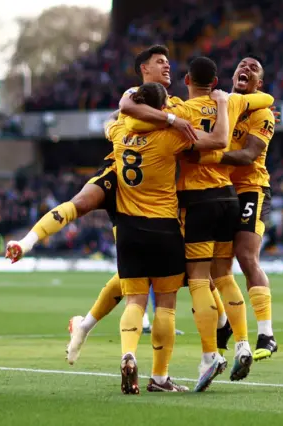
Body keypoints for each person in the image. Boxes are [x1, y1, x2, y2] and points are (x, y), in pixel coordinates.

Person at [4, 45, 193, 364]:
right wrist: (174, 119)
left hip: (135, 179)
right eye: (160, 62)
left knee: (126, 276)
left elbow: (117, 120)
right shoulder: (143, 97)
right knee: (84, 208)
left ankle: (85, 325)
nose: (167, 67)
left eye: (168, 63)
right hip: (131, 187)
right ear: (144, 69)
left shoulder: (139, 113)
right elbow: (127, 108)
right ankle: (28, 242)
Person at [124, 56, 274, 389]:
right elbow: (266, 99)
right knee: (224, 274)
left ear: (188, 78)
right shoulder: (230, 103)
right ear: (217, 81)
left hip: (196, 201)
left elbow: (134, 117)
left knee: (198, 280)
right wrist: (223, 100)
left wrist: (170, 118)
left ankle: (210, 354)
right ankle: (243, 343)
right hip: (228, 197)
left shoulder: (181, 110)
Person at [109, 82, 230, 394]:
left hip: (127, 228)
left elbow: (111, 120)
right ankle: (160, 378)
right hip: (164, 227)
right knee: (165, 306)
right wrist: (223, 105)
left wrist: (131, 107)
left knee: (135, 300)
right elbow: (218, 140)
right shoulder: (171, 136)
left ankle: (128, 354)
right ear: (162, 108)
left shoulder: (119, 132)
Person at [198, 56, 279, 361]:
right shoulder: (222, 105)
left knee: (246, 256)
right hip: (220, 191)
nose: (245, 69)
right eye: (241, 66)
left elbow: (249, 155)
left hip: (251, 190)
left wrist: (211, 158)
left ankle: (267, 335)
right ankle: (224, 323)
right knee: (210, 267)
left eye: (254, 68)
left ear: (259, 84)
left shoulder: (263, 114)